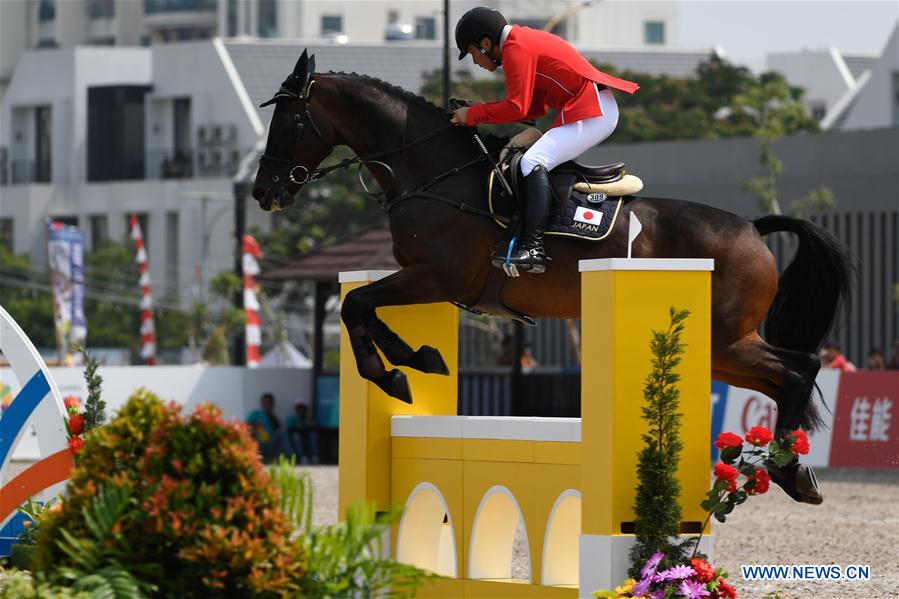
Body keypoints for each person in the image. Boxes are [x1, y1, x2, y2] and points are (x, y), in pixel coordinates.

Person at [451, 6, 639, 274]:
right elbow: (533, 109)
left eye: (472, 53)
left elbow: (516, 107)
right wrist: (478, 110)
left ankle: (534, 248)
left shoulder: (517, 47)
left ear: (485, 42)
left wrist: (472, 115)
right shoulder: (518, 43)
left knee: (532, 161)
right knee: (534, 160)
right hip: (592, 108)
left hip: (594, 111)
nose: (475, 61)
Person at [246, 392, 288, 462]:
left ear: (272, 404)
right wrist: (256, 427)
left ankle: (286, 457)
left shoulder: (274, 419)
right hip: (258, 443)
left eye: (269, 403)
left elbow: (278, 436)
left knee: (283, 433)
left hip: (269, 443)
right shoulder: (256, 414)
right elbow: (247, 426)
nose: (266, 405)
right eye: (265, 402)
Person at [287, 399, 320, 465]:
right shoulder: (292, 419)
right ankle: (302, 457)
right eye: (299, 408)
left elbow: (315, 427)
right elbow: (290, 430)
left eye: (303, 408)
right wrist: (301, 428)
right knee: (296, 436)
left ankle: (314, 457)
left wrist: (303, 428)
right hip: (296, 442)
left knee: (313, 435)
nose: (301, 410)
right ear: (296, 410)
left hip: (307, 440)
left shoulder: (309, 419)